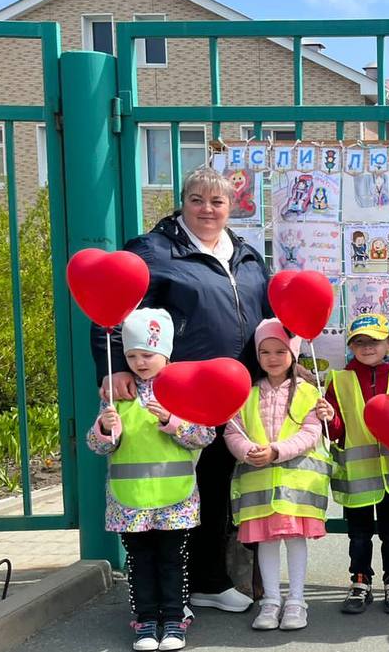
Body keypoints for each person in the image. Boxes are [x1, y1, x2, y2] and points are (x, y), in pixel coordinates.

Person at [93, 167, 271, 614]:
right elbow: (112, 309)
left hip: (232, 393)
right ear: (182, 202)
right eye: (197, 200)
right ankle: (171, 593)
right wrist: (112, 366)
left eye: (217, 202)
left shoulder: (247, 255)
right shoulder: (153, 251)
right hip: (173, 393)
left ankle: (207, 581)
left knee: (212, 488)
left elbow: (268, 320)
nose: (207, 210)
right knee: (173, 489)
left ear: (231, 207)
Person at [88, 309, 216, 651]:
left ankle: (174, 617)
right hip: (129, 499)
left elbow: (205, 435)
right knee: (139, 561)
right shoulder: (117, 392)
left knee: (173, 558)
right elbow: (97, 445)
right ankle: (145, 619)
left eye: (147, 354)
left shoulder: (185, 391)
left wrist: (172, 422)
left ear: (166, 352)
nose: (140, 362)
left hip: (175, 498)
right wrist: (104, 428)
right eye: (132, 355)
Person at [226, 319, 334, 632]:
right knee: (267, 543)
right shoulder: (245, 394)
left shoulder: (308, 392)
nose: (272, 358)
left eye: (280, 351)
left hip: (298, 486)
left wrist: (276, 451)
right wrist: (246, 451)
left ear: (294, 353)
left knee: (296, 541)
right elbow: (233, 430)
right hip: (259, 484)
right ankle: (271, 600)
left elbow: (312, 432)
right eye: (264, 352)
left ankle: (297, 601)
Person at [323, 313, 389, 615]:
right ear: (350, 346)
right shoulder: (338, 379)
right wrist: (328, 416)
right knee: (358, 534)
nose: (367, 347)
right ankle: (360, 581)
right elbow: (334, 432)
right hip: (357, 476)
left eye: (374, 341)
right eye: (359, 342)